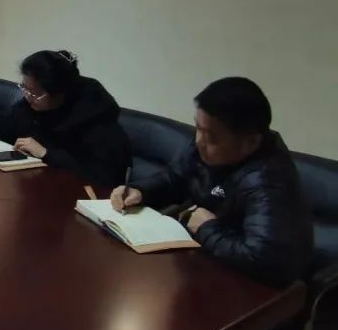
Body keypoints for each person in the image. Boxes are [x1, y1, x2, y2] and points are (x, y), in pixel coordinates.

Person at [110, 77, 312, 286]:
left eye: (211, 137)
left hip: (247, 287)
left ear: (250, 142)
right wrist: (141, 191)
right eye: (198, 127)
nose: (199, 141)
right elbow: (175, 179)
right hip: (204, 262)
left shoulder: (268, 180)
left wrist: (207, 228)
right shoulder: (205, 147)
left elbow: (264, 260)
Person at [0, 50, 130, 188]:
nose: (28, 96)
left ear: (60, 92)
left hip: (77, 197)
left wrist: (46, 153)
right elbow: (7, 122)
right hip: (37, 185)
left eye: (35, 93)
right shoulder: (33, 103)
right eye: (24, 88)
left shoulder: (95, 117)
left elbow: (103, 174)